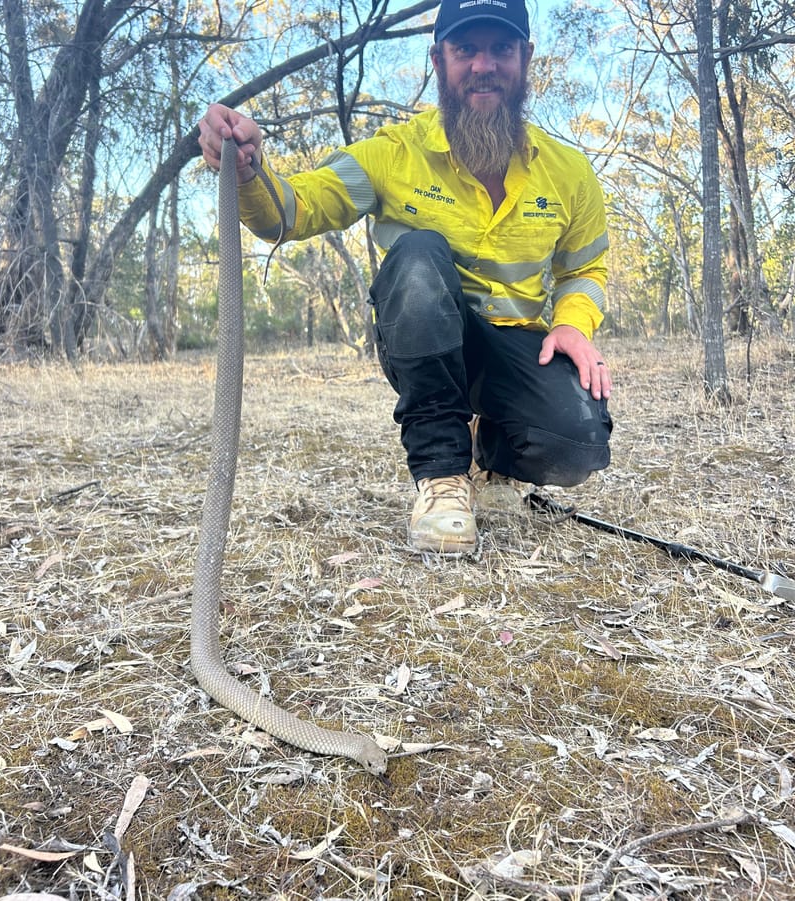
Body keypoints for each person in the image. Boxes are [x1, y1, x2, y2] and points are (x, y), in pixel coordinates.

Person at [199, 0, 613, 555]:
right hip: (425, 342)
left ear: (525, 58)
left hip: (515, 347)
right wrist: (249, 167)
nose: (484, 65)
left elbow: (585, 268)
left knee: (578, 443)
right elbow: (289, 212)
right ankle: (441, 476)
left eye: (501, 48)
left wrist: (572, 323)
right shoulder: (390, 155)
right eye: (466, 49)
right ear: (438, 61)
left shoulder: (569, 171)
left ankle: (492, 459)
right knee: (417, 255)